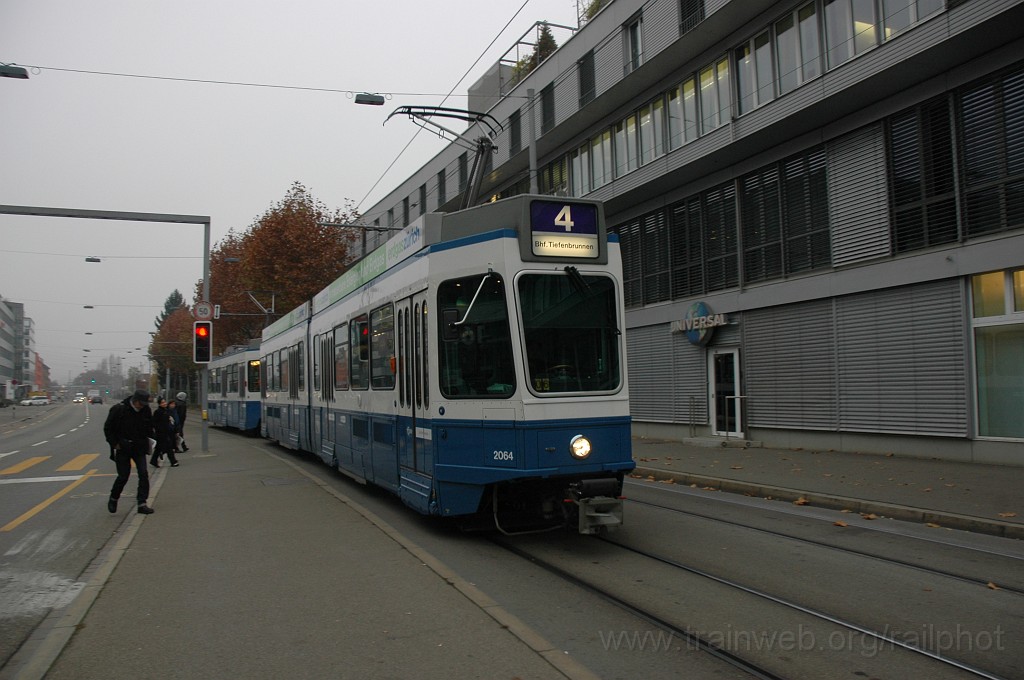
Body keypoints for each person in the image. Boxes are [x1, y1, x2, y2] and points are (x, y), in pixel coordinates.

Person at [104, 389, 156, 514]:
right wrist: (115, 444)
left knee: (143, 474)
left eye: (144, 404)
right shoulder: (119, 409)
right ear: (135, 400)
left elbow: (149, 427)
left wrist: (152, 440)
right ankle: (114, 497)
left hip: (139, 447)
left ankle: (142, 503)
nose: (142, 406)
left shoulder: (146, 410)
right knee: (123, 476)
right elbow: (108, 428)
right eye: (141, 403)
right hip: (123, 448)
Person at [149, 397, 179, 468]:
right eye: (162, 402)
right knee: (169, 448)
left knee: (159, 448)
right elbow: (154, 422)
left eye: (165, 402)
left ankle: (153, 461)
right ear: (159, 404)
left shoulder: (166, 411)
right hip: (161, 433)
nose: (164, 403)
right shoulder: (158, 412)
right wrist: (158, 429)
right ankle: (173, 461)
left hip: (166, 432)